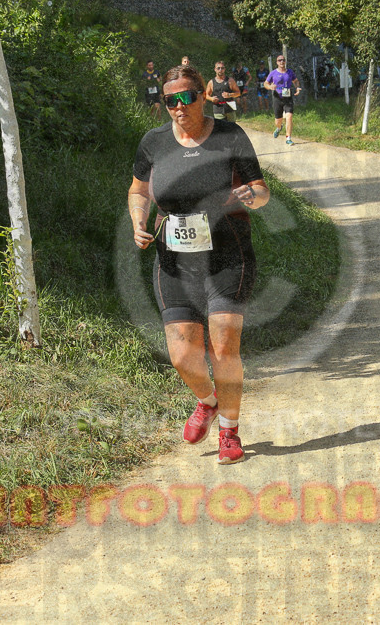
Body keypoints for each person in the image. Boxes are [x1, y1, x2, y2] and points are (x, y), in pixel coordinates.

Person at [127, 64, 270, 465]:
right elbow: (138, 191)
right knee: (182, 355)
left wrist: (249, 195)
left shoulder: (230, 136)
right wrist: (139, 222)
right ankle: (207, 402)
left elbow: (262, 190)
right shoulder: (154, 142)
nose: (178, 107)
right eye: (170, 100)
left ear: (202, 97)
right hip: (174, 261)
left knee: (224, 344)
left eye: (186, 97)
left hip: (228, 254)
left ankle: (229, 430)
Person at [264, 55, 301, 146]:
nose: (281, 62)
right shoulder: (273, 73)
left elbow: (295, 81)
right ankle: (279, 128)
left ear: (285, 61)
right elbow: (266, 83)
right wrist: (270, 87)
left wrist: (297, 87)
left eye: (283, 60)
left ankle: (288, 138)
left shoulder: (290, 72)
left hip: (288, 98)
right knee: (278, 121)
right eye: (279, 60)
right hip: (277, 98)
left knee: (289, 117)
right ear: (277, 62)